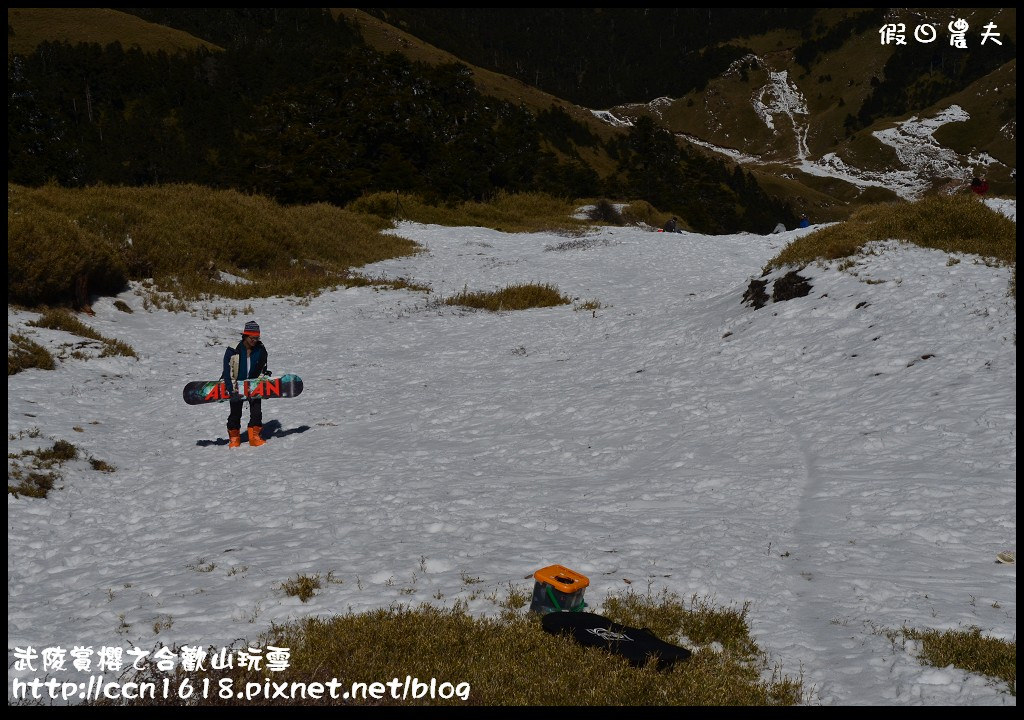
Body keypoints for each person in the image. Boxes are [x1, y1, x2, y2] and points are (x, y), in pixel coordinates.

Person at [223, 320, 269, 448]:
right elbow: (228, 372)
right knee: (235, 413)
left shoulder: (261, 349)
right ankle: (234, 438)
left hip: (253, 385)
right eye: (252, 338)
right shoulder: (233, 349)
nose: (254, 340)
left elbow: (262, 368)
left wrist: (263, 385)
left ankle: (255, 437)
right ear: (245, 336)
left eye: (257, 338)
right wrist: (232, 390)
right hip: (236, 384)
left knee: (256, 412)